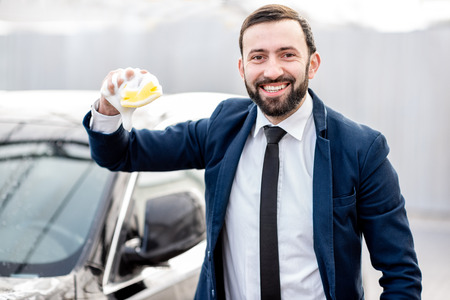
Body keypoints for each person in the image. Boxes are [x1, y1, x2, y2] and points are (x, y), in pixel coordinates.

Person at [83, 4, 421, 300]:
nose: (272, 71)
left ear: (313, 64)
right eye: (258, 57)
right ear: (243, 68)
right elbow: (121, 154)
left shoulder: (361, 149)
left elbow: (401, 275)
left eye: (287, 54)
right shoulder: (222, 128)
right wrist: (108, 108)